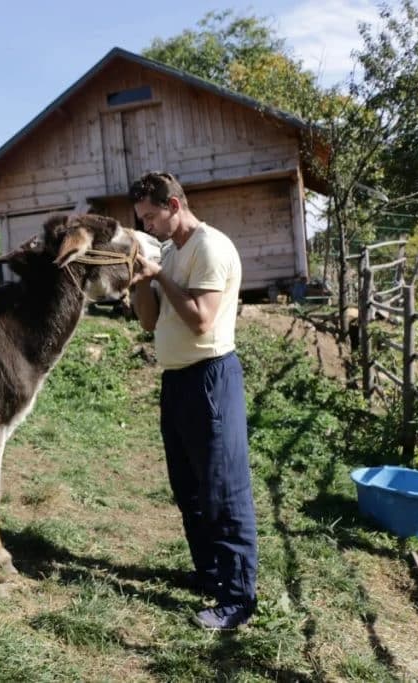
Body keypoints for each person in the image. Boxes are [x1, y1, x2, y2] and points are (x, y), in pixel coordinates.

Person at [128, 171, 258, 630]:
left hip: (211, 377)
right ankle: (210, 575)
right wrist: (140, 278)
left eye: (151, 217)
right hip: (177, 381)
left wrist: (160, 272)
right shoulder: (167, 250)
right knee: (190, 488)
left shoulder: (210, 247)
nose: (148, 227)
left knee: (224, 489)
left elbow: (202, 320)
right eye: (142, 219)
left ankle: (238, 599)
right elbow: (148, 322)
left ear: (175, 205)